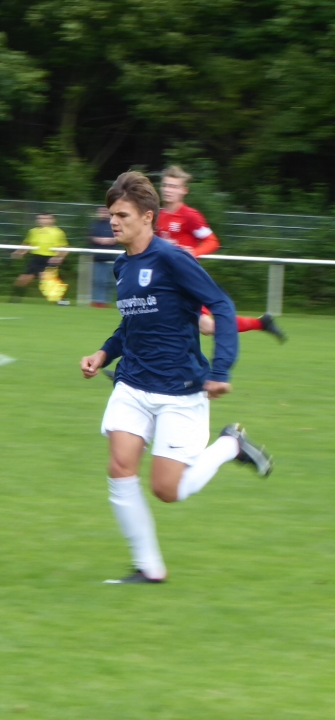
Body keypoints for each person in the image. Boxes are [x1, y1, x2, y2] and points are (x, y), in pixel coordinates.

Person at [81, 171, 273, 584]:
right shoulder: (122, 265)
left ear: (147, 217)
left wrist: (221, 369)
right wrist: (103, 353)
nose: (113, 221)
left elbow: (221, 306)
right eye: (111, 214)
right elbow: (131, 324)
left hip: (179, 389)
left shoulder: (172, 258)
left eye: (122, 215)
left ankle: (229, 445)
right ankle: (149, 568)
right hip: (132, 383)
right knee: (120, 467)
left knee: (167, 490)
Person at [158, 165, 286, 342]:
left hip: (185, 280)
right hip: (166, 280)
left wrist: (193, 252)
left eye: (173, 186)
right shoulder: (158, 216)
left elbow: (212, 241)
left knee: (206, 327)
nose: (168, 190)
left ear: (184, 190)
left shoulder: (190, 216)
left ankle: (261, 323)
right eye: (165, 185)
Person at [10, 213, 70, 304]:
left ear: (52, 220)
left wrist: (59, 257)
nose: (42, 220)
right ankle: (14, 301)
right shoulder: (33, 231)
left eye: (46, 218)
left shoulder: (58, 232)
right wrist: (19, 252)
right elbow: (27, 244)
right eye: (40, 218)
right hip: (36, 258)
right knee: (23, 279)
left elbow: (65, 247)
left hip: (49, 259)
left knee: (46, 280)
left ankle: (62, 300)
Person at [89, 206, 118, 307]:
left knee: (108, 281)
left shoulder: (115, 224)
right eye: (101, 211)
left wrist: (111, 240)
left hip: (111, 258)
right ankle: (96, 300)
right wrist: (99, 240)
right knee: (97, 280)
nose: (103, 213)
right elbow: (89, 237)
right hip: (97, 257)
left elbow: (121, 237)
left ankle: (106, 301)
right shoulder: (94, 224)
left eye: (105, 211)